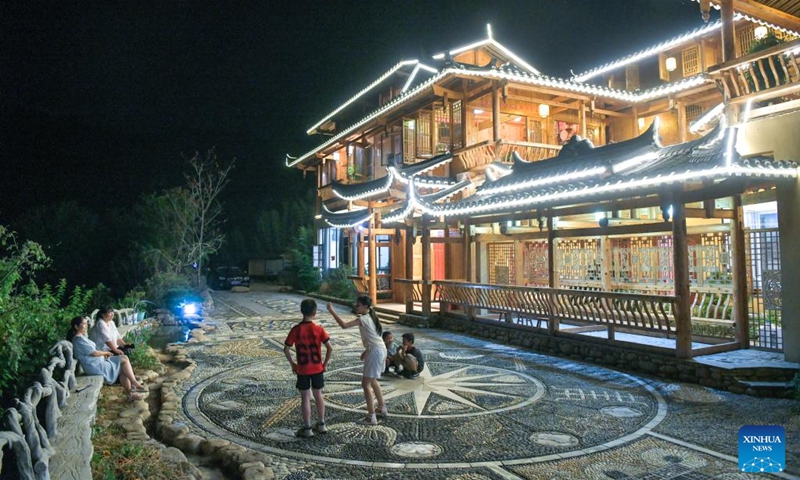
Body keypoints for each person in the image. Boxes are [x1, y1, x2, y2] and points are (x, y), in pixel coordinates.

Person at [327, 296, 387, 425]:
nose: (356, 306)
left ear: (365, 307)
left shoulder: (363, 319)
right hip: (379, 349)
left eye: (358, 305)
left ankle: (371, 416)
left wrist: (332, 311)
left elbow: (343, 325)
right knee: (373, 380)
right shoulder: (372, 317)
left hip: (376, 351)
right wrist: (366, 351)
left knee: (365, 384)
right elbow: (373, 337)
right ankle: (382, 408)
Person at [283, 299, 333, 438]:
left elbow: (286, 349)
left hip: (303, 369)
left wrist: (293, 363)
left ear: (301, 311)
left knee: (305, 398)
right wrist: (325, 364)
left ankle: (307, 428)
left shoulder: (296, 329)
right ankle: (322, 424)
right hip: (317, 368)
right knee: (319, 395)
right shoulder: (319, 329)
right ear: (315, 313)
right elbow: (330, 347)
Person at [68, 316, 147, 401]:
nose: (86, 325)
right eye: (84, 323)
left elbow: (93, 352)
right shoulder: (79, 340)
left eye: (86, 323)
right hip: (95, 366)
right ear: (76, 326)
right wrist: (106, 353)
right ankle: (133, 384)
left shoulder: (81, 338)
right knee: (124, 359)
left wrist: (104, 354)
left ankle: (131, 392)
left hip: (98, 362)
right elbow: (94, 353)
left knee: (123, 366)